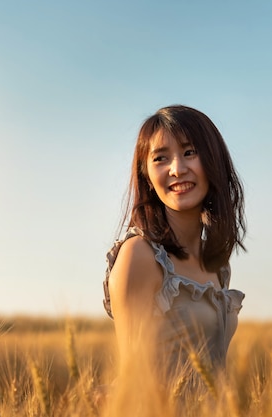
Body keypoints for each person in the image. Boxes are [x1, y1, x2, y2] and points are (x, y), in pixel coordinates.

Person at [102, 105, 246, 390]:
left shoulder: (217, 265)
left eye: (190, 152)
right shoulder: (140, 257)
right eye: (160, 158)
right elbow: (134, 383)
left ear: (213, 160)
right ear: (146, 175)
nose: (177, 169)